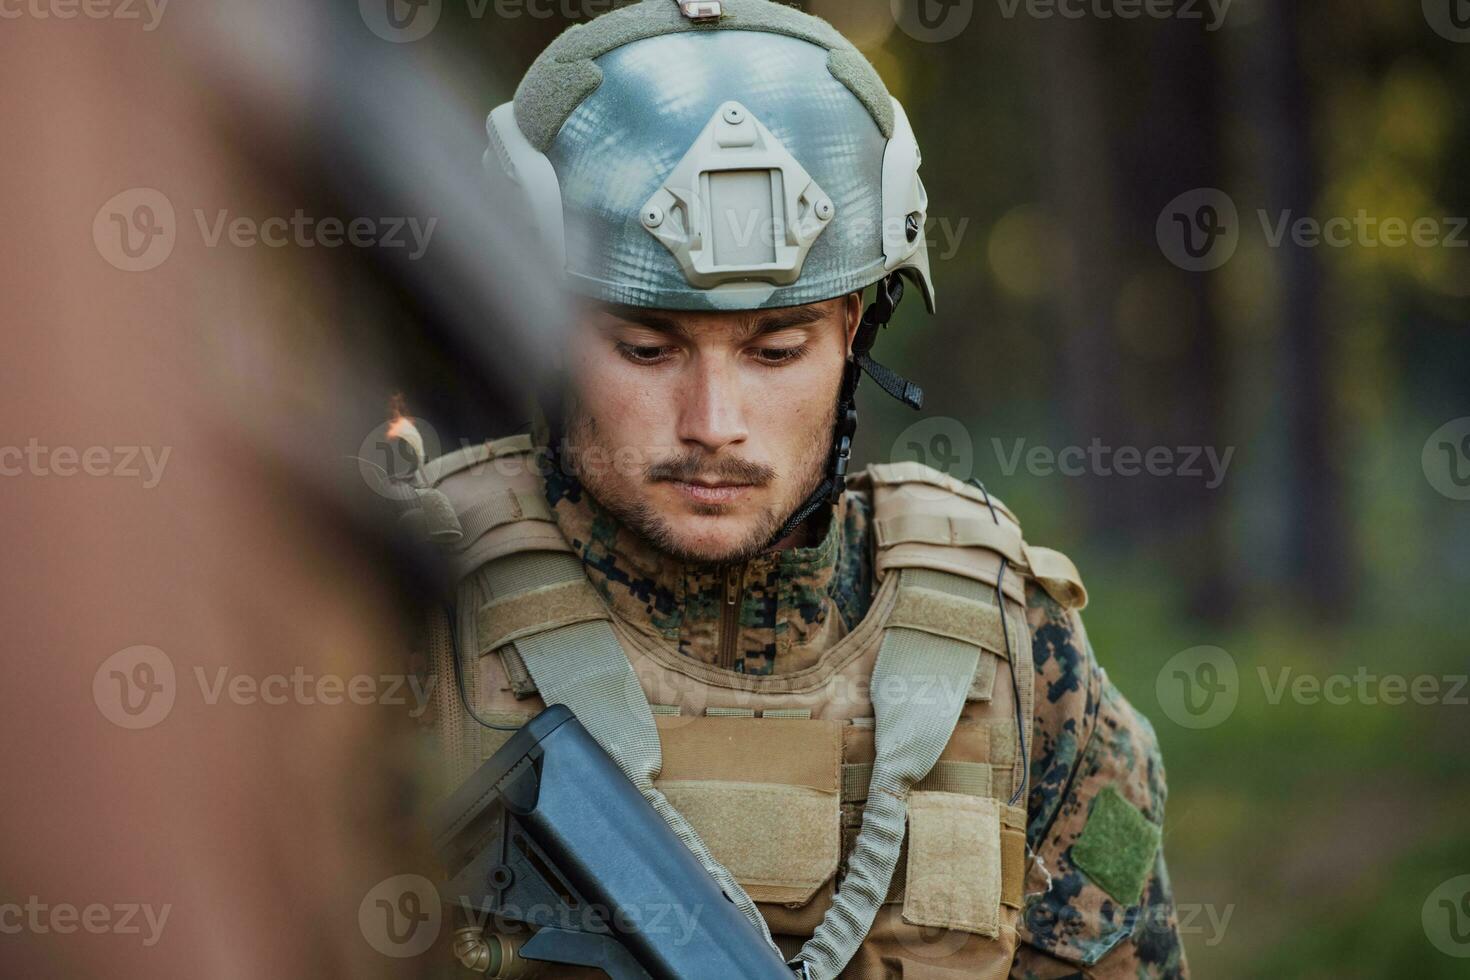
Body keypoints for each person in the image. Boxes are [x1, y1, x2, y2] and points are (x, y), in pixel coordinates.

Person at [404, 1, 1188, 976]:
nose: (713, 420)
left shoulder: (1016, 645)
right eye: (645, 347)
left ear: (855, 332)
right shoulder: (401, 601)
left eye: (777, 350)